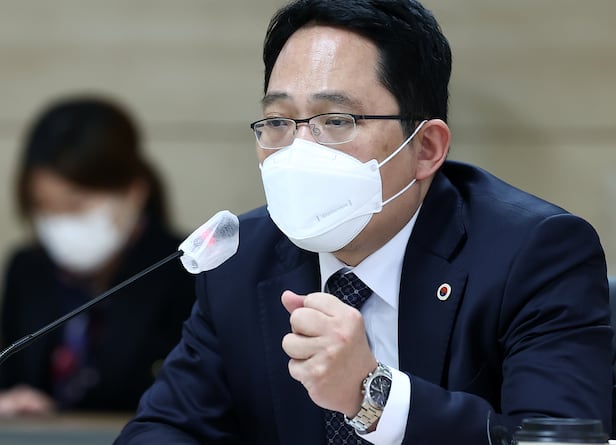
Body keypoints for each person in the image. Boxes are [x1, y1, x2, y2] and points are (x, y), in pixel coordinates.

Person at [115, 0, 612, 443]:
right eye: (279, 121)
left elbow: (557, 438)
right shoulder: (242, 260)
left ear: (426, 148)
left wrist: (373, 396)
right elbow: (164, 429)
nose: (298, 150)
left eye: (336, 120)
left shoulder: (534, 254)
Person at [0, 95, 196, 416]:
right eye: (44, 207)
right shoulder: (27, 269)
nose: (58, 223)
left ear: (133, 192)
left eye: (75, 206)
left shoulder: (186, 269)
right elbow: (11, 374)